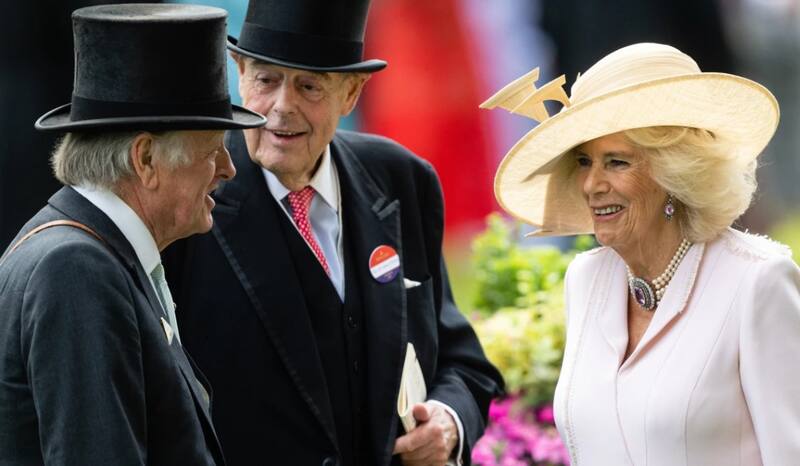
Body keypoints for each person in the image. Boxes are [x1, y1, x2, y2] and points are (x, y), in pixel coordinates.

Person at [162, 0, 504, 465]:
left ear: (351, 94)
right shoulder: (186, 198)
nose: (282, 107)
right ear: (239, 73)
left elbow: (461, 360)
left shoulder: (401, 179)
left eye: (308, 86)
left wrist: (447, 420)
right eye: (266, 80)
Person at [484, 42, 800, 465]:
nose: (591, 185)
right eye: (583, 161)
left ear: (675, 173)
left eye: (616, 162)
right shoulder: (586, 278)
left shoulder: (757, 283)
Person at [0, 4, 266, 465]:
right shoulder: (77, 270)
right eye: (211, 151)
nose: (228, 169)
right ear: (145, 160)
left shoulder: (91, 253)